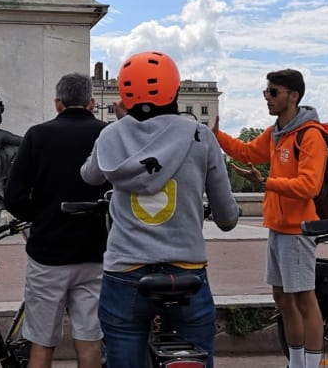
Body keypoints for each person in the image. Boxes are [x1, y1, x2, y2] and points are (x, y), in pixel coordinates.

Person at [80, 51, 239, 368]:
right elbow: (227, 218)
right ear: (175, 91)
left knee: (124, 351)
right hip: (186, 272)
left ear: (124, 94)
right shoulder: (200, 136)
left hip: (126, 270)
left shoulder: (112, 133)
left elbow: (89, 176)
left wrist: (122, 125)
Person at [212, 69, 328, 368]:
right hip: (277, 227)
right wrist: (216, 135)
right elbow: (246, 151)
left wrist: (267, 183)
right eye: (266, 92)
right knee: (282, 297)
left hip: (298, 230)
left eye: (273, 92)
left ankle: (311, 365)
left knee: (305, 299)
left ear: (293, 96)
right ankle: (297, 362)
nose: (267, 97)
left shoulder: (310, 134)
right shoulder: (276, 132)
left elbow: (309, 186)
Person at [4, 73, 111, 368]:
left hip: (48, 253)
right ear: (91, 102)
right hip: (95, 252)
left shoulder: (38, 135)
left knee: (41, 342)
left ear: (57, 103)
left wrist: (40, 218)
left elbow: (13, 197)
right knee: (89, 340)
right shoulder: (107, 134)